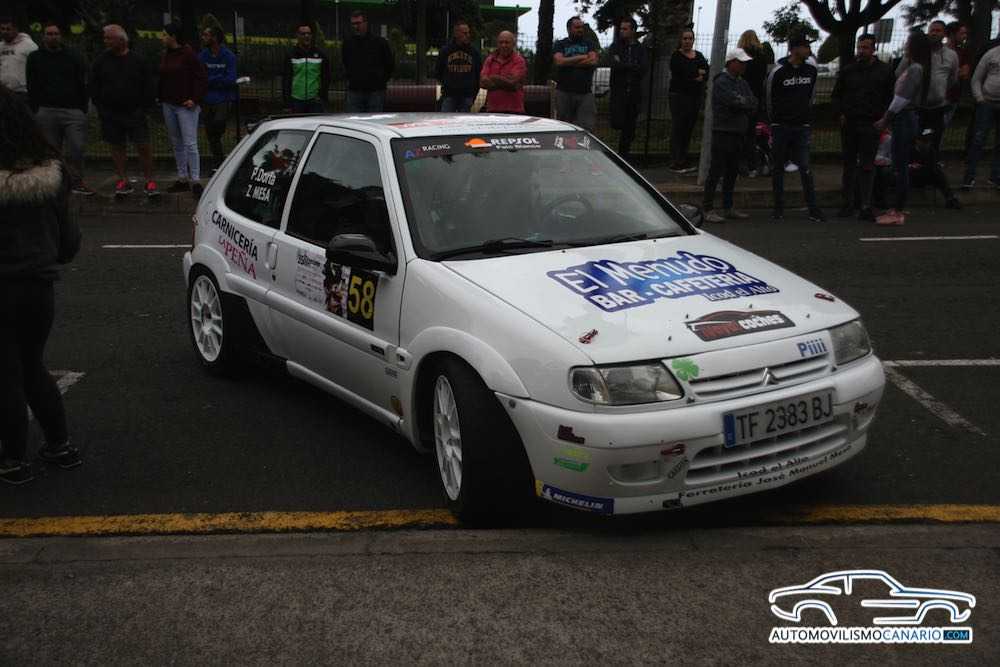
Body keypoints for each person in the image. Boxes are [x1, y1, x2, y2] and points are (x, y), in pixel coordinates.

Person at [0, 85, 82, 486]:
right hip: (38, 289)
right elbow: (69, 244)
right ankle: (59, 445)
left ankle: (13, 459)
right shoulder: (51, 174)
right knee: (32, 365)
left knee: (6, 374)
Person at [831, 33, 894, 221]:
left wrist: (884, 119)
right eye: (860, 47)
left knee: (867, 165)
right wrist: (840, 113)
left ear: (873, 49)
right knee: (849, 165)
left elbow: (890, 97)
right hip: (850, 123)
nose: (861, 51)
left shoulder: (884, 71)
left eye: (865, 47)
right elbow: (837, 94)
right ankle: (848, 203)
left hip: (871, 123)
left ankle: (866, 204)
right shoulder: (849, 70)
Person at [90, 24, 158, 197]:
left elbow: (149, 86)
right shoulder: (101, 61)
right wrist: (102, 108)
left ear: (121, 40)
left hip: (135, 112)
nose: (106, 41)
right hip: (111, 113)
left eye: (109, 38)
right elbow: (94, 86)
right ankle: (123, 180)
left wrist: (144, 108)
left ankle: (149, 180)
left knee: (143, 145)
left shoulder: (138, 60)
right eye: (105, 38)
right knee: (116, 146)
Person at [26, 22, 93, 196]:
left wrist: (82, 107)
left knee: (76, 148)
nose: (52, 37)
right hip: (46, 110)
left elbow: (83, 81)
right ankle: (54, 184)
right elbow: (31, 83)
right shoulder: (35, 57)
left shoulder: (74, 56)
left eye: (55, 33)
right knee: (51, 151)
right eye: (49, 33)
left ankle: (76, 181)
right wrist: (36, 108)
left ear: (61, 36)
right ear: (43, 36)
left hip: (73, 110)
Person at [874, 31, 932, 226]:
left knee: (900, 167)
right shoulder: (913, 66)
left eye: (908, 43)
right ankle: (897, 207)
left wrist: (885, 118)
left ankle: (897, 211)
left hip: (905, 118)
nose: (905, 45)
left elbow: (902, 98)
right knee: (899, 165)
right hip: (904, 118)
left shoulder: (916, 69)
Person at [766, 33, 825, 222]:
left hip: (802, 125)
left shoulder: (811, 70)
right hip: (781, 125)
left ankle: (813, 208)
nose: (808, 50)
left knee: (805, 166)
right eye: (805, 46)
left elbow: (811, 96)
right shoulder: (778, 71)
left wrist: (806, 117)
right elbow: (770, 98)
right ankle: (778, 207)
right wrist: (774, 121)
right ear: (794, 49)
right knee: (778, 167)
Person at [703, 49, 757, 224]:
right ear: (731, 62)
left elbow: (752, 102)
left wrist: (743, 102)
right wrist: (743, 103)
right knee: (716, 171)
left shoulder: (742, 83)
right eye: (740, 62)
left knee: (732, 171)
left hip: (738, 132)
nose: (744, 66)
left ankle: (728, 206)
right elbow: (733, 102)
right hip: (723, 131)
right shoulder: (722, 82)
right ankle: (707, 208)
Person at [159, 22, 207, 196]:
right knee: (177, 142)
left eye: (165, 35)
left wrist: (194, 99)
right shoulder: (166, 54)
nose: (162, 38)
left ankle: (195, 180)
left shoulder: (188, 54)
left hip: (185, 106)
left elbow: (201, 77)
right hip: (169, 103)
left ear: (173, 36)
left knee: (190, 143)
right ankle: (182, 177)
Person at [898, 21, 957, 160]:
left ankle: (930, 167)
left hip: (937, 108)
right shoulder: (918, 52)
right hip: (917, 108)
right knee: (912, 143)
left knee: (933, 143)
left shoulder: (951, 55)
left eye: (938, 30)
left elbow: (952, 79)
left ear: (944, 34)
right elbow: (899, 73)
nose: (934, 33)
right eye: (932, 30)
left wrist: (939, 92)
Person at [668, 28, 709, 173]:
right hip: (679, 97)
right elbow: (681, 74)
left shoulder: (699, 55)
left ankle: (683, 158)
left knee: (688, 128)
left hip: (695, 97)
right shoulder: (676, 56)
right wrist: (695, 73)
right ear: (681, 40)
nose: (687, 41)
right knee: (678, 128)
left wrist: (695, 74)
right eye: (685, 38)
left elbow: (706, 71)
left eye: (690, 38)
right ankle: (675, 160)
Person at [607, 16, 648, 162]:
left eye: (625, 29)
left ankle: (624, 156)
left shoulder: (640, 49)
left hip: (634, 93)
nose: (621, 31)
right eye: (621, 29)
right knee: (617, 122)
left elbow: (643, 68)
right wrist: (630, 66)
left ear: (632, 30)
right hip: (619, 92)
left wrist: (625, 65)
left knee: (630, 127)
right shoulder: (616, 47)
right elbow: (614, 64)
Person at [199, 26, 237, 171]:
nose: (203, 38)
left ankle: (220, 163)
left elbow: (231, 79)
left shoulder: (228, 56)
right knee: (211, 134)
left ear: (214, 38)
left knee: (218, 127)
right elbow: (200, 78)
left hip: (223, 99)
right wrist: (219, 77)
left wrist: (211, 79)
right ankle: (219, 164)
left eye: (206, 35)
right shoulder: (203, 56)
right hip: (207, 99)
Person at [964, 39, 1000, 190]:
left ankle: (996, 177)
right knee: (978, 139)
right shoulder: (991, 54)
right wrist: (979, 98)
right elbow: (976, 78)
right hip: (987, 103)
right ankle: (969, 176)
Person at [342, 11, 394, 113]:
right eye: (353, 24)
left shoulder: (380, 42)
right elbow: (345, 62)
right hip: (355, 90)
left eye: (358, 23)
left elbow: (389, 64)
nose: (355, 26)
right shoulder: (348, 43)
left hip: (375, 91)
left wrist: (380, 81)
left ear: (366, 23)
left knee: (373, 120)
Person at [553, 16, 599, 130]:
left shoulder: (589, 44)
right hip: (564, 92)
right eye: (577, 27)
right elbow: (559, 61)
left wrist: (568, 62)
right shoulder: (560, 44)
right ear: (569, 29)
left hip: (585, 93)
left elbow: (593, 60)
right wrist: (582, 57)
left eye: (581, 27)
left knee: (586, 127)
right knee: (563, 126)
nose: (580, 30)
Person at [737, 30, 769, 177]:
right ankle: (752, 165)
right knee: (751, 133)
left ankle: (740, 163)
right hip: (756, 97)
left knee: (740, 132)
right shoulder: (762, 57)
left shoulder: (742, 57)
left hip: (743, 97)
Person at [283, 23, 331, 113]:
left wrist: (322, 96)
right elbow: (286, 79)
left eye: (309, 33)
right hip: (296, 100)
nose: (306, 36)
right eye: (303, 34)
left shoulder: (320, 54)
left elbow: (326, 78)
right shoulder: (291, 55)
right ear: (297, 35)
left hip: (315, 100)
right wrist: (287, 102)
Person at [436, 20, 481, 113]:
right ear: (456, 34)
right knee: (446, 120)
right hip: (449, 94)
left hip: (467, 95)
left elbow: (478, 73)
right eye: (465, 33)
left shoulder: (474, 52)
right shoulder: (446, 51)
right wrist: (447, 85)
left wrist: (473, 94)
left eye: (468, 33)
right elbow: (438, 71)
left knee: (463, 121)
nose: (468, 35)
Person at [480, 31, 527, 114]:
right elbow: (483, 83)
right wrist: (506, 82)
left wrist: (493, 78)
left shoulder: (519, 61)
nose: (503, 45)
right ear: (497, 44)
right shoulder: (490, 60)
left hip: (514, 111)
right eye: (501, 42)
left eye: (507, 42)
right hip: (492, 110)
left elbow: (512, 83)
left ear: (513, 44)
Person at [0, 16, 37, 108]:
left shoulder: (29, 45)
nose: (5, 31)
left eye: (8, 29)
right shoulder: (0, 46)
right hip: (3, 93)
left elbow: (38, 68)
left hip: (22, 93)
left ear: (16, 29)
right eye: (2, 29)